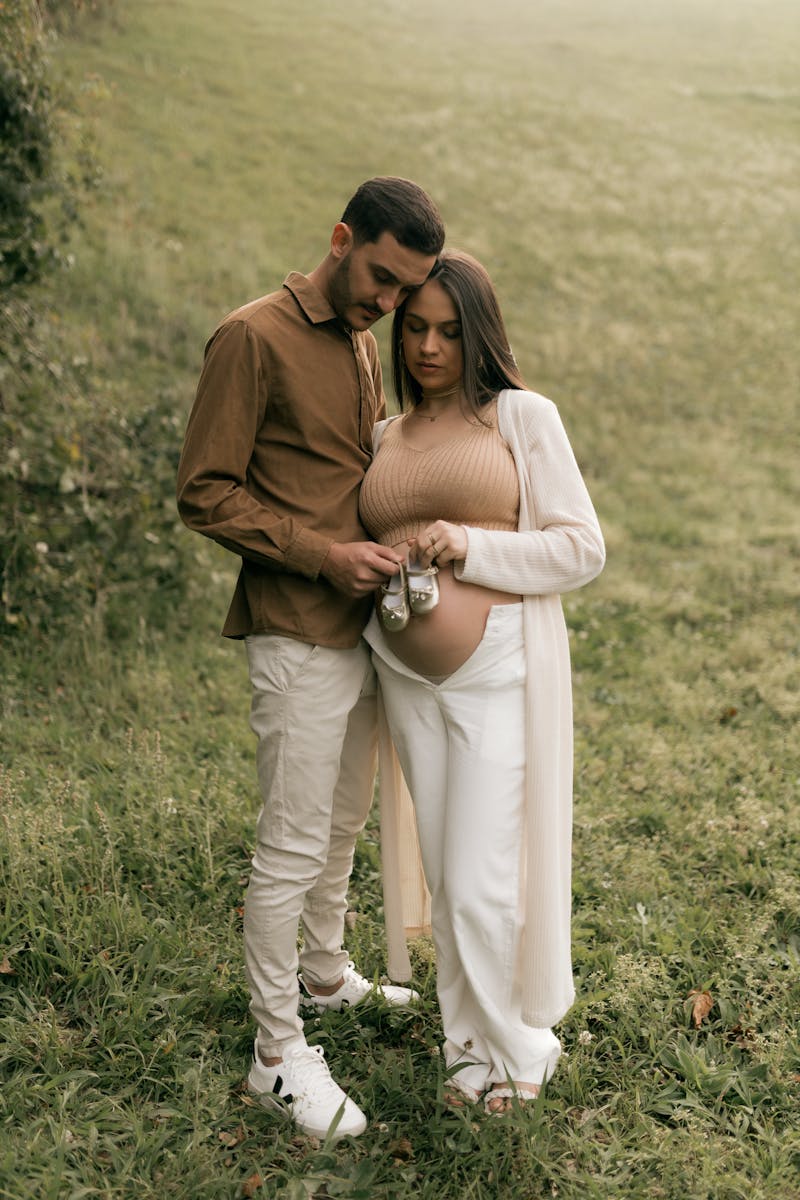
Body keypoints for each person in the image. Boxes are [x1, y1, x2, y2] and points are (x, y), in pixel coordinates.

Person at [176, 178, 446, 1140]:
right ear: (341, 238)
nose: (388, 303)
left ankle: (325, 978)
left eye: (403, 290)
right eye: (380, 278)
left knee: (342, 821)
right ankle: (277, 1053)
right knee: (291, 844)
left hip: (367, 626)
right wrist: (321, 554)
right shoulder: (252, 336)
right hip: (295, 627)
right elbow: (203, 491)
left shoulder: (364, 341)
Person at [359, 250, 605, 1114]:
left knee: (474, 878)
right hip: (405, 673)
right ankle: (470, 1048)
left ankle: (521, 1050)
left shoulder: (520, 417)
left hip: (498, 669)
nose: (430, 347)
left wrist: (472, 546)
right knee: (444, 867)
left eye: (451, 332)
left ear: (480, 334)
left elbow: (582, 547)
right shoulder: (384, 434)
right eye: (415, 328)